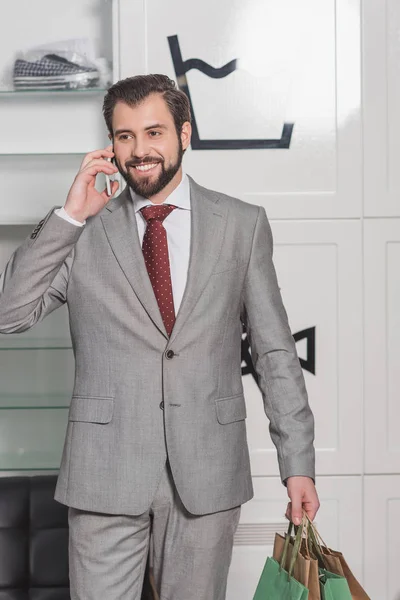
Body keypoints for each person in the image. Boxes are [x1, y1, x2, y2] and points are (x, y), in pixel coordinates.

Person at [0, 74, 319, 600]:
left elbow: (275, 353)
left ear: (184, 134)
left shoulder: (241, 224)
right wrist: (70, 215)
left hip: (207, 471)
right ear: (111, 144)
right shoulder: (82, 229)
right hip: (105, 472)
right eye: (124, 136)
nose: (139, 149)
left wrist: (297, 466)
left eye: (154, 132)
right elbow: (11, 314)